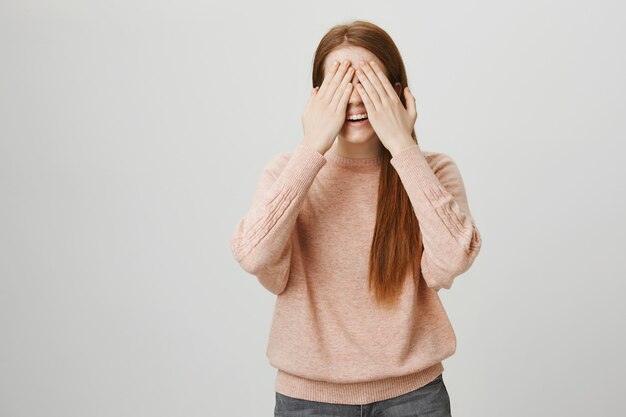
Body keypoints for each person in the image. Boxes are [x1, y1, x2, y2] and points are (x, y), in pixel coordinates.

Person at [230, 20, 482, 417]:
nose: (354, 98)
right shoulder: (288, 172)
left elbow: (451, 262)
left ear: (398, 91)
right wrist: (313, 145)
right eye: (340, 83)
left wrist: (402, 145)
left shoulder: (432, 171)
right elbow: (256, 258)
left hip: (414, 398)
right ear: (317, 97)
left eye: (368, 81)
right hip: (308, 402)